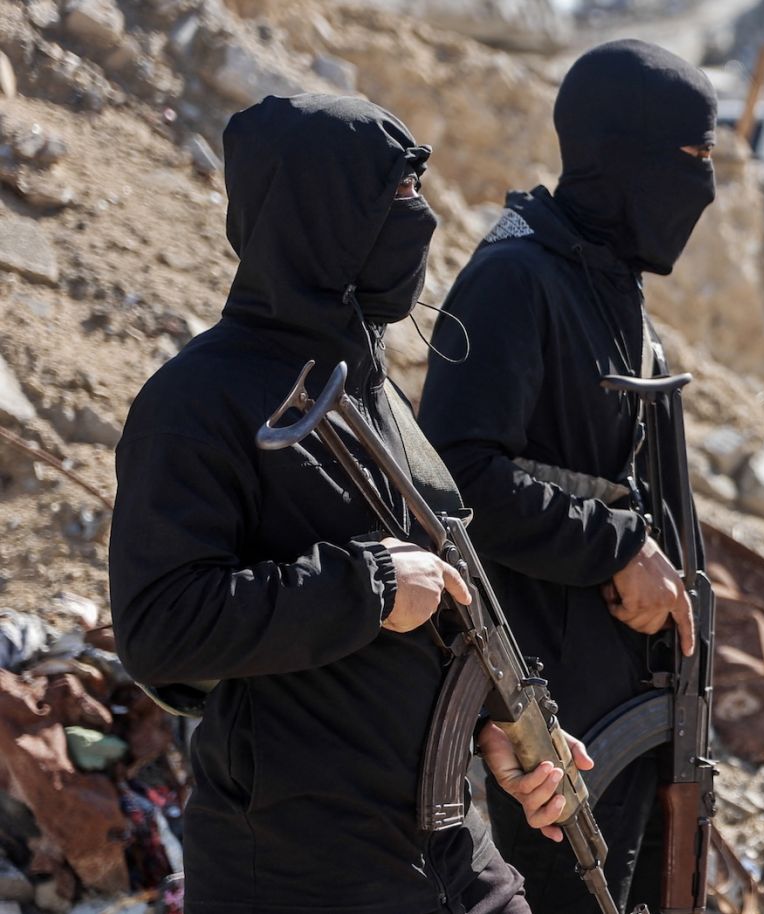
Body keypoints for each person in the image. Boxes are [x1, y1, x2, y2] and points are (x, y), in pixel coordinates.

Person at [109, 94, 587, 914]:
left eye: (416, 189)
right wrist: (365, 586)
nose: (421, 217)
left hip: (444, 843)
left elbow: (436, 609)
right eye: (395, 193)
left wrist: (497, 725)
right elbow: (159, 628)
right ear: (319, 213)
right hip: (296, 865)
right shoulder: (198, 399)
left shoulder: (371, 388)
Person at [417, 40, 712, 914]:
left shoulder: (605, 274)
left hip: (633, 696)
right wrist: (617, 548)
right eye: (690, 157)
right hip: (551, 717)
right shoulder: (516, 279)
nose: (703, 186)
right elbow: (457, 480)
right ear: (624, 156)